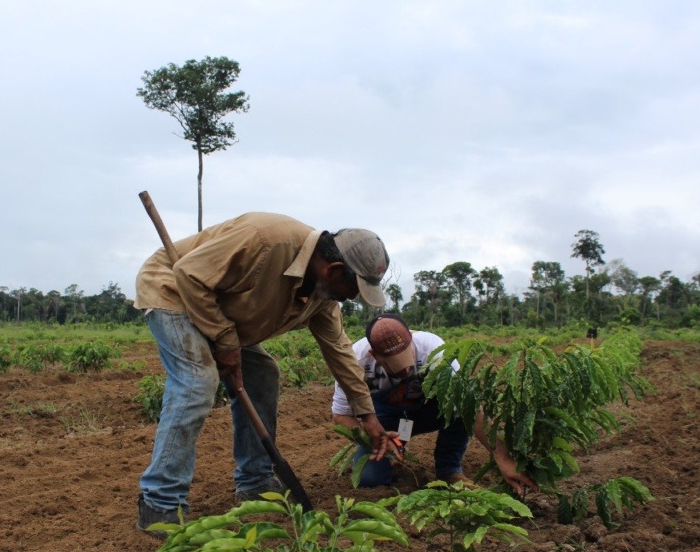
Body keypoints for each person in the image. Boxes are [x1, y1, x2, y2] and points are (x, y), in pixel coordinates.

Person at [133, 212, 398, 533]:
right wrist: (227, 341)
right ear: (334, 270)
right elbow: (188, 274)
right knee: (197, 382)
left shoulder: (323, 297)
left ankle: (255, 479)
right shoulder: (265, 239)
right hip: (174, 290)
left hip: (221, 312)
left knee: (263, 375)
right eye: (353, 288)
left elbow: (340, 351)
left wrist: (367, 415)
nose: (351, 297)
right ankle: (160, 500)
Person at [331, 314, 537, 494]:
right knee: (371, 480)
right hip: (387, 418)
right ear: (374, 355)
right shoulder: (355, 360)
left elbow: (468, 406)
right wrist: (375, 437)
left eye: (406, 361)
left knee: (458, 409)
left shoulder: (432, 348)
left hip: (429, 410)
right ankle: (397, 450)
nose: (404, 372)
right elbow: (340, 417)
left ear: (411, 340)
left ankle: (449, 470)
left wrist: (502, 456)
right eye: (394, 365)